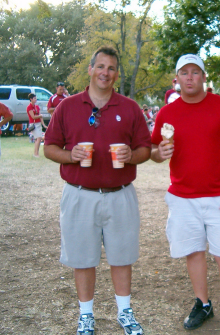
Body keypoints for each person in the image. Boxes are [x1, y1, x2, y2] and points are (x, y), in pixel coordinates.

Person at [43, 46, 151, 335]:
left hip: (120, 194)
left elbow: (145, 149)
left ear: (116, 74)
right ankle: (86, 316)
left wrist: (131, 155)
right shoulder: (67, 106)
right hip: (79, 194)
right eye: (100, 66)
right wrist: (70, 156)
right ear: (90, 70)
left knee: (122, 256)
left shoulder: (130, 108)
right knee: (82, 258)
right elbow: (49, 147)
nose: (105, 72)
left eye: (111, 68)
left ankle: (125, 312)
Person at [151, 54, 220, 335]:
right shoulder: (166, 113)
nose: (190, 77)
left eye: (196, 72)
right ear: (177, 78)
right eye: (184, 73)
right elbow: (153, 151)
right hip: (182, 198)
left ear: (204, 77)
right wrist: (159, 153)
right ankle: (203, 303)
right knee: (193, 253)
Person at [27, 93, 48, 157]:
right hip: (33, 124)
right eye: (34, 98)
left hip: (38, 124)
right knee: (38, 138)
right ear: (31, 99)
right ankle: (35, 153)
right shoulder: (29, 107)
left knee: (39, 139)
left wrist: (43, 125)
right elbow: (33, 117)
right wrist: (39, 116)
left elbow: (40, 116)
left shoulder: (37, 107)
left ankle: (36, 152)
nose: (36, 99)